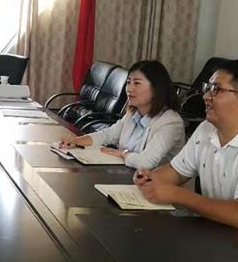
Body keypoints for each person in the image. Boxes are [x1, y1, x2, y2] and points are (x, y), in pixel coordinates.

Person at [134, 60, 238, 228]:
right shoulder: (205, 129)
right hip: (214, 231)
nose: (205, 96)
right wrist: (149, 178)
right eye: (207, 88)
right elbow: (177, 171)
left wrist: (179, 195)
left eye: (216, 90)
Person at [59, 60, 185, 169]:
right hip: (128, 176)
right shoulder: (133, 113)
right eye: (128, 82)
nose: (129, 89)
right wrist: (76, 141)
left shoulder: (170, 122)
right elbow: (107, 135)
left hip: (155, 185)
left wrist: (123, 153)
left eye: (137, 83)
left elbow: (146, 163)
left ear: (156, 88)